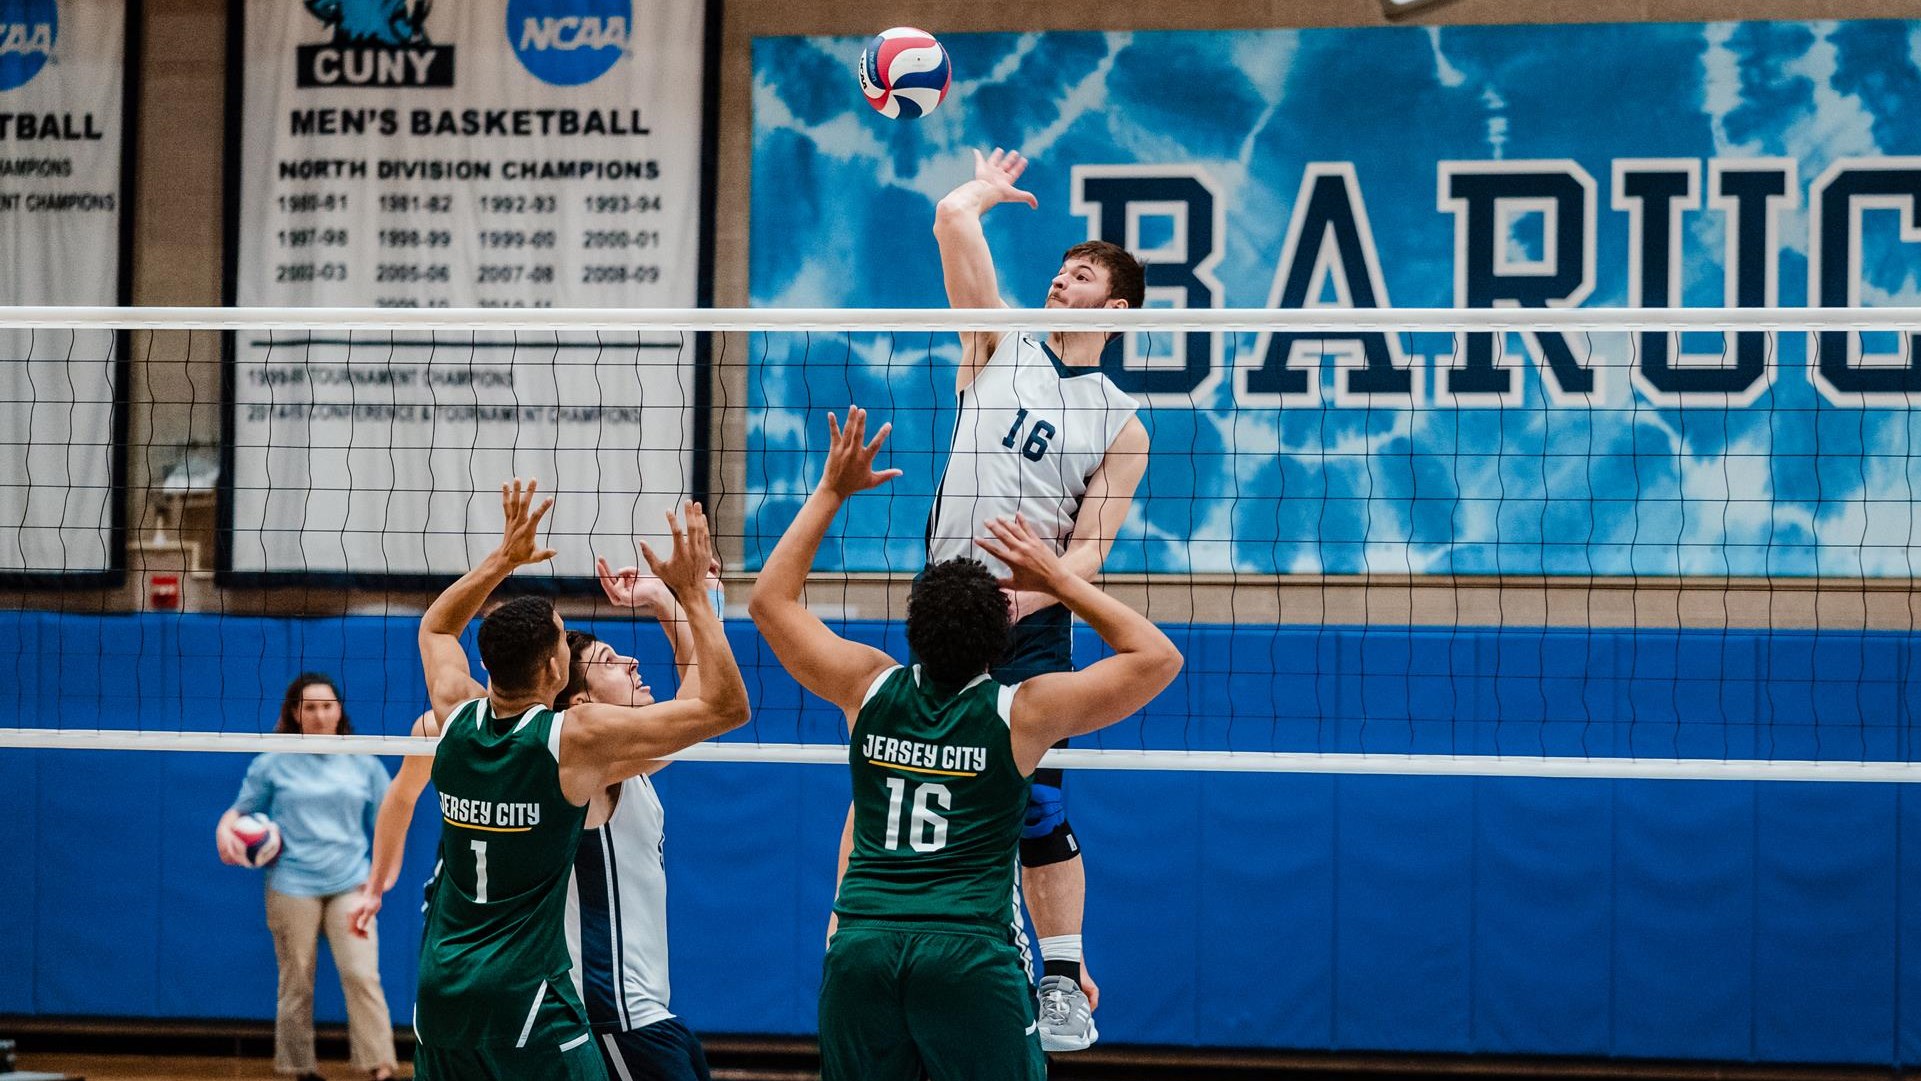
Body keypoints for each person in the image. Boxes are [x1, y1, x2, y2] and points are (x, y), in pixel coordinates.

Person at [749, 407, 1181, 1081]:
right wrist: (1058, 576)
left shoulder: (866, 687)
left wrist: (831, 490)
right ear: (1000, 642)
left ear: (912, 625)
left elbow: (770, 602)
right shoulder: (1023, 712)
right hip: (966, 954)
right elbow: (1157, 657)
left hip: (860, 944)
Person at [372, 480, 748, 1081]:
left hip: (441, 989)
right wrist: (693, 598)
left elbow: (437, 632)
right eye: (589, 657)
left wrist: (502, 559)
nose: (627, 661)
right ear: (557, 674)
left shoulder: (456, 719)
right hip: (538, 1004)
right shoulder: (578, 748)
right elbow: (721, 707)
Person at [925, 145, 1152, 1049]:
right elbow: (951, 220)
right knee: (902, 771)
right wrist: (983, 190)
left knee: (1037, 803)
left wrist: (1041, 588)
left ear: (1117, 306)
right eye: (1058, 270)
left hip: (1035, 620)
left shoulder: (1124, 422)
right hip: (945, 605)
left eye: (1081, 274)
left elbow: (1093, 541)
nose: (1060, 281)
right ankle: (858, 929)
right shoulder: (996, 342)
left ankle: (1061, 978)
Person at [215, 673, 399, 1081]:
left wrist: (383, 879)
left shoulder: (364, 761)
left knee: (361, 973)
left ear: (339, 710)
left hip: (350, 883)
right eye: (309, 707)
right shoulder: (272, 762)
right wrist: (224, 832)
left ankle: (381, 1067)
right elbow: (237, 812)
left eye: (326, 706)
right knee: (296, 980)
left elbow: (392, 820)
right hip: (291, 884)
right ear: (295, 713)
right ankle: (300, 1069)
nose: (318, 714)